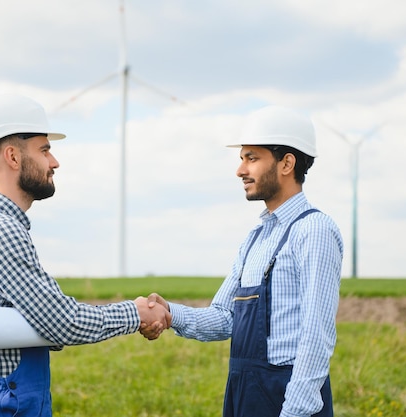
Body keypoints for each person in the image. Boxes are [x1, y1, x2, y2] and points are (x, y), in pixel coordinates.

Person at [0, 93, 170, 417]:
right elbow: (61, 321)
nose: (54, 162)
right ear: (13, 157)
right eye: (44, 150)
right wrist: (138, 313)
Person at [142, 105, 343, 417]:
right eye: (242, 159)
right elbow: (225, 318)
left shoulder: (313, 230)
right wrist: (170, 314)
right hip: (245, 393)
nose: (240, 170)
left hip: (286, 399)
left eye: (252, 158)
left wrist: (294, 412)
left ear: (287, 163)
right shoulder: (255, 239)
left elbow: (316, 335)